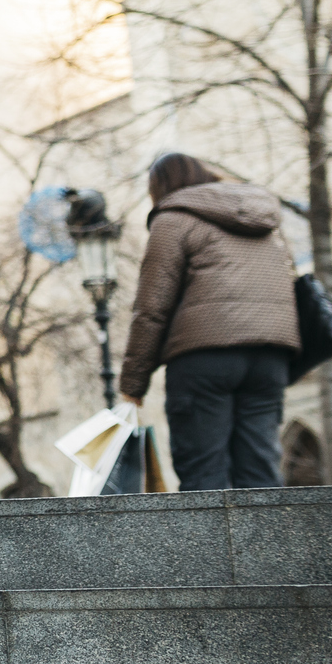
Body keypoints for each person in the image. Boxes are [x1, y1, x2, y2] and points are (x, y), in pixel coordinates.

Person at [119, 152, 300, 492]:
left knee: (204, 475)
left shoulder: (172, 218)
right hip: (269, 358)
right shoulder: (264, 218)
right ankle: (266, 546)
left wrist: (133, 384)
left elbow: (152, 307)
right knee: (260, 474)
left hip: (204, 358)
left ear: (160, 187)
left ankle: (207, 547)